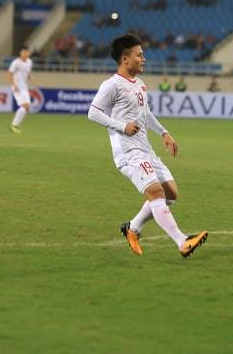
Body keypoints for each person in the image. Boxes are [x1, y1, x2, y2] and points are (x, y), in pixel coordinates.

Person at [88, 33, 208, 258]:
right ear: (125, 59)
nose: (144, 59)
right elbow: (93, 113)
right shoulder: (112, 85)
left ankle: (132, 229)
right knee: (155, 192)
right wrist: (122, 126)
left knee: (171, 194)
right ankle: (183, 242)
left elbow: (146, 113)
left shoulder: (140, 84)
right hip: (128, 151)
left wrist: (163, 132)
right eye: (139, 55)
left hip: (145, 148)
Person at [6, 46, 36, 134]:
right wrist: (13, 84)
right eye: (23, 52)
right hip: (17, 87)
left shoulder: (29, 62)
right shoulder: (16, 62)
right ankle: (14, 126)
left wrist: (32, 80)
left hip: (24, 87)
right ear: (21, 53)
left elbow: (28, 73)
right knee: (25, 106)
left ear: (28, 53)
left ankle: (14, 126)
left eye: (26, 52)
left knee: (27, 108)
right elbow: (9, 73)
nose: (24, 53)